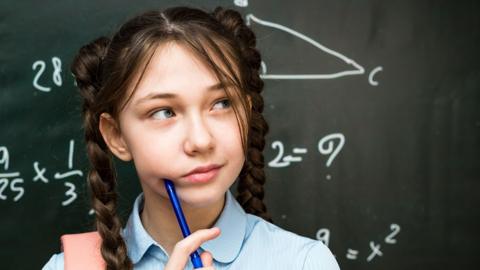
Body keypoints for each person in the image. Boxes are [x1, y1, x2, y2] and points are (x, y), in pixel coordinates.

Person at [42, 5, 340, 270]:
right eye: (163, 112)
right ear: (117, 136)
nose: (200, 140)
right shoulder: (67, 267)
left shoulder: (304, 262)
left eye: (222, 103)